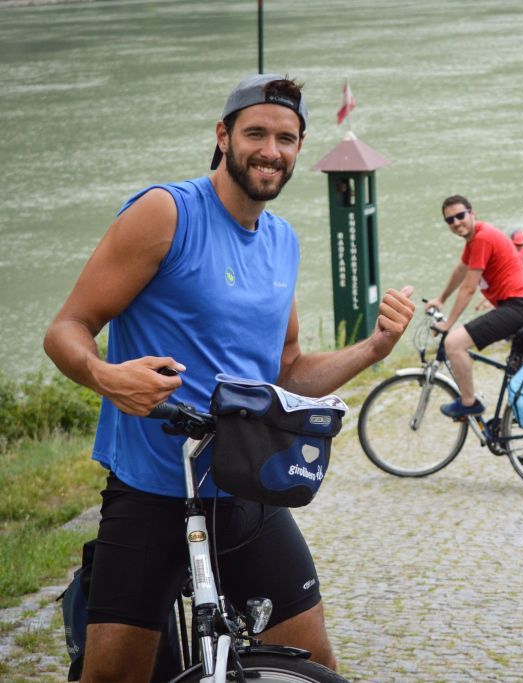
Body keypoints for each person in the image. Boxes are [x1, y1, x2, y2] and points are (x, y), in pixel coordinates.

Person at [42, 73, 417, 682]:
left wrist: (374, 347)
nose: (272, 150)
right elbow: (66, 329)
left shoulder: (282, 241)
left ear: (299, 148)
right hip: (150, 490)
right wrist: (105, 375)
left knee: (315, 662)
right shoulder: (166, 212)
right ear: (224, 136)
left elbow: (289, 372)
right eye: (257, 133)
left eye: (287, 138)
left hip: (245, 485)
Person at [426, 195, 523, 417]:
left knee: (453, 344)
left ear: (473, 213)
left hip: (520, 307)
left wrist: (448, 324)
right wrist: (441, 298)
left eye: (460, 216)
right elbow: (461, 270)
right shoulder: (475, 239)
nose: (456, 223)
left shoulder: (482, 238)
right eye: (450, 220)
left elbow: (469, 288)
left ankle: (469, 402)